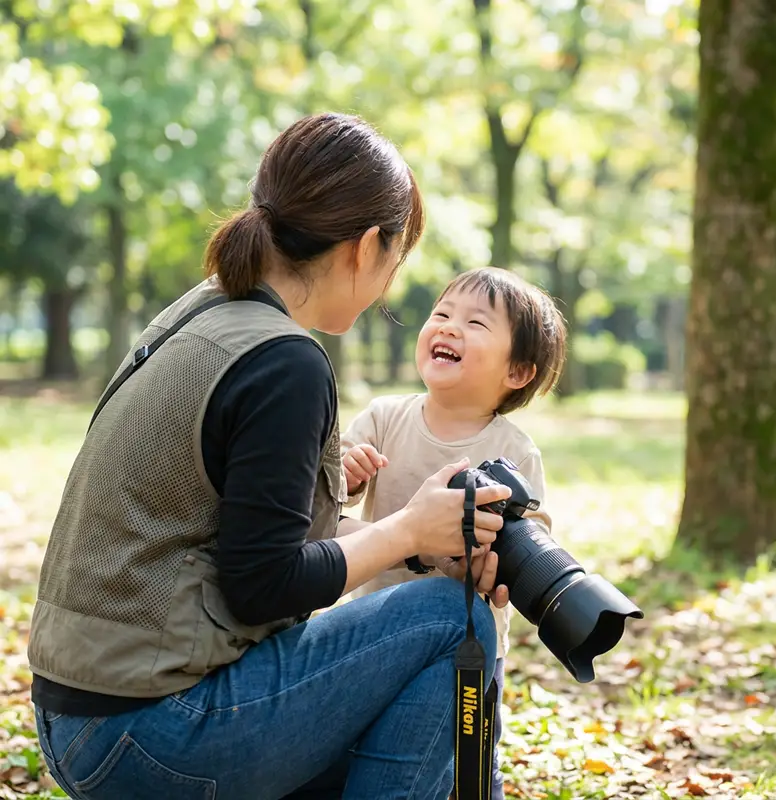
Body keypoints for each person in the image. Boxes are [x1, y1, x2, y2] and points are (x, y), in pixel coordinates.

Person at [26, 113, 513, 800]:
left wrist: (408, 538)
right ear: (365, 248)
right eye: (396, 259)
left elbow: (241, 538)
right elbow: (264, 585)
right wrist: (407, 531)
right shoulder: (284, 361)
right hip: (151, 734)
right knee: (451, 618)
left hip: (79, 718)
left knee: (418, 725)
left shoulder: (203, 310)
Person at [341, 267, 567, 799]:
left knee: (471, 764)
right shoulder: (383, 419)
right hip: (378, 626)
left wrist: (490, 566)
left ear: (517, 371)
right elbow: (325, 497)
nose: (447, 327)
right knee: (377, 745)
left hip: (469, 642)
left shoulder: (514, 450)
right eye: (441, 314)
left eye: (475, 323)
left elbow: (532, 539)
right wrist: (349, 474)